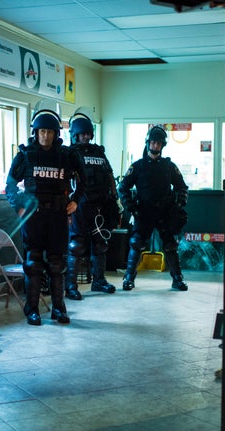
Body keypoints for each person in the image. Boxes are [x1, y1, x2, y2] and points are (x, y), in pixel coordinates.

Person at [5, 105, 86, 325]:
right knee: (34, 263)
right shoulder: (25, 155)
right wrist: (18, 206)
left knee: (57, 263)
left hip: (58, 215)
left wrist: (76, 201)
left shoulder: (67, 155)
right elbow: (10, 184)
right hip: (33, 217)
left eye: (50, 132)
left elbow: (84, 181)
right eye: (42, 131)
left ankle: (59, 309)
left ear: (56, 134)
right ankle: (32, 309)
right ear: (35, 132)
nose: (45, 136)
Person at [118, 125, 189, 292]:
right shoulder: (138, 166)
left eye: (158, 143)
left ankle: (177, 279)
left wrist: (179, 205)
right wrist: (131, 206)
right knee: (136, 243)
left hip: (165, 211)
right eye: (153, 142)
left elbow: (182, 187)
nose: (155, 146)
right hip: (143, 211)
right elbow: (123, 187)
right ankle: (129, 278)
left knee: (170, 244)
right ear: (148, 143)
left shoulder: (169, 166)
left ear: (162, 145)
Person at [64, 110, 120, 300]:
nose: (86, 137)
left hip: (100, 205)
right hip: (80, 206)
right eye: (82, 134)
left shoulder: (98, 152)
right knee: (76, 245)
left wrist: (114, 197)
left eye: (88, 133)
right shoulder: (70, 153)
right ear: (75, 134)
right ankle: (70, 286)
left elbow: (110, 175)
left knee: (100, 244)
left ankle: (99, 281)